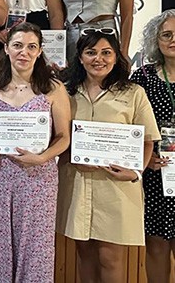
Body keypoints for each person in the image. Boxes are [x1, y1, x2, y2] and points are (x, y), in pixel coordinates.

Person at [58, 29, 159, 282]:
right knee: (85, 255)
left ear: (116, 57)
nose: (98, 59)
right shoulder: (66, 92)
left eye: (106, 53)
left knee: (110, 258)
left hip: (116, 188)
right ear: (80, 57)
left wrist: (136, 172)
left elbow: (147, 140)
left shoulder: (133, 93)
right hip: (77, 183)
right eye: (91, 52)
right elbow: (58, 136)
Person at [0, 22, 71, 282]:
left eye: (31, 47)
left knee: (36, 249)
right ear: (6, 48)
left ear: (40, 51)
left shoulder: (53, 88)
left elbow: (63, 137)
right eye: (18, 45)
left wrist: (41, 158)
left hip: (38, 178)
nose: (24, 52)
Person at [130, 9, 175, 283]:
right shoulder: (143, 77)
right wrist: (143, 157)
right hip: (156, 173)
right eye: (166, 35)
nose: (172, 40)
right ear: (155, 40)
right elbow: (128, 124)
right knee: (157, 245)